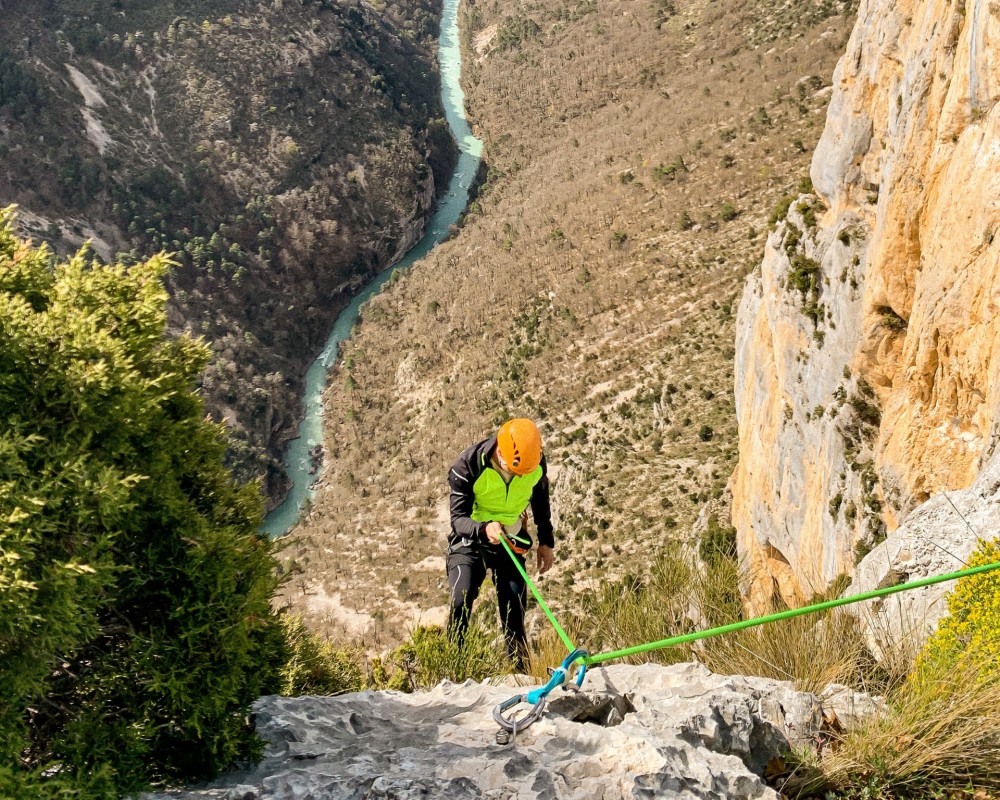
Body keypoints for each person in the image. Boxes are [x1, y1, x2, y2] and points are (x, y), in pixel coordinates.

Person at [446, 418, 555, 670]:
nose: (521, 476)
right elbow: (457, 519)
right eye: (517, 470)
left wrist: (546, 542)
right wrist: (483, 529)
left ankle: (521, 674)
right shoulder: (468, 465)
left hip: (510, 537)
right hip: (471, 537)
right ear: (500, 453)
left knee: (514, 607)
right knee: (461, 598)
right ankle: (453, 668)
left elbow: (540, 501)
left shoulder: (533, 462)